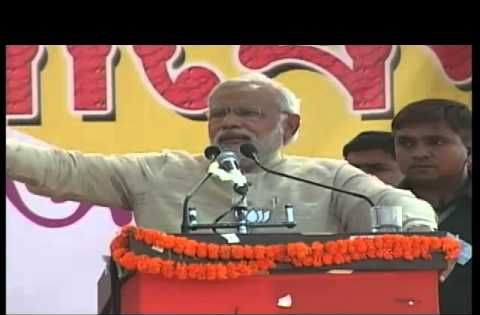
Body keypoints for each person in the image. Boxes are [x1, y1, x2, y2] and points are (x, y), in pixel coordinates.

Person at [7, 73, 438, 236]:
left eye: (248, 113)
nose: (230, 123)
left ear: (289, 126)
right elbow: (63, 170)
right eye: (220, 114)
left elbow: (394, 203)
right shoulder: (160, 173)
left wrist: (416, 228)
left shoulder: (329, 179)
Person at [392, 99, 472, 314]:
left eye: (435, 142)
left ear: (468, 148)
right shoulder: (377, 208)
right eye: (406, 143)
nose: (419, 153)